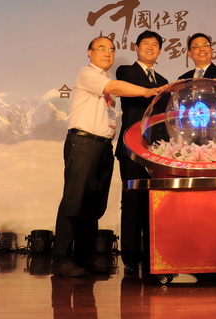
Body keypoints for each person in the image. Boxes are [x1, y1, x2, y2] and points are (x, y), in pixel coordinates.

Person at [51, 36, 162, 277]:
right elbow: (114, 88)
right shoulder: (87, 74)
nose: (107, 53)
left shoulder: (105, 79)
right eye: (101, 49)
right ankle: (61, 259)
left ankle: (84, 258)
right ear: (89, 53)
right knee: (74, 201)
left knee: (93, 207)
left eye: (111, 49)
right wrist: (147, 91)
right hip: (83, 143)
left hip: (103, 146)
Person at [115, 30, 169, 276]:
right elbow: (139, 91)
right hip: (131, 148)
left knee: (154, 204)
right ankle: (130, 257)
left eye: (155, 44)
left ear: (160, 51)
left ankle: (152, 254)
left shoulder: (163, 79)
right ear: (136, 48)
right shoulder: (126, 72)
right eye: (145, 43)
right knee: (132, 203)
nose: (150, 47)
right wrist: (159, 90)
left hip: (156, 151)